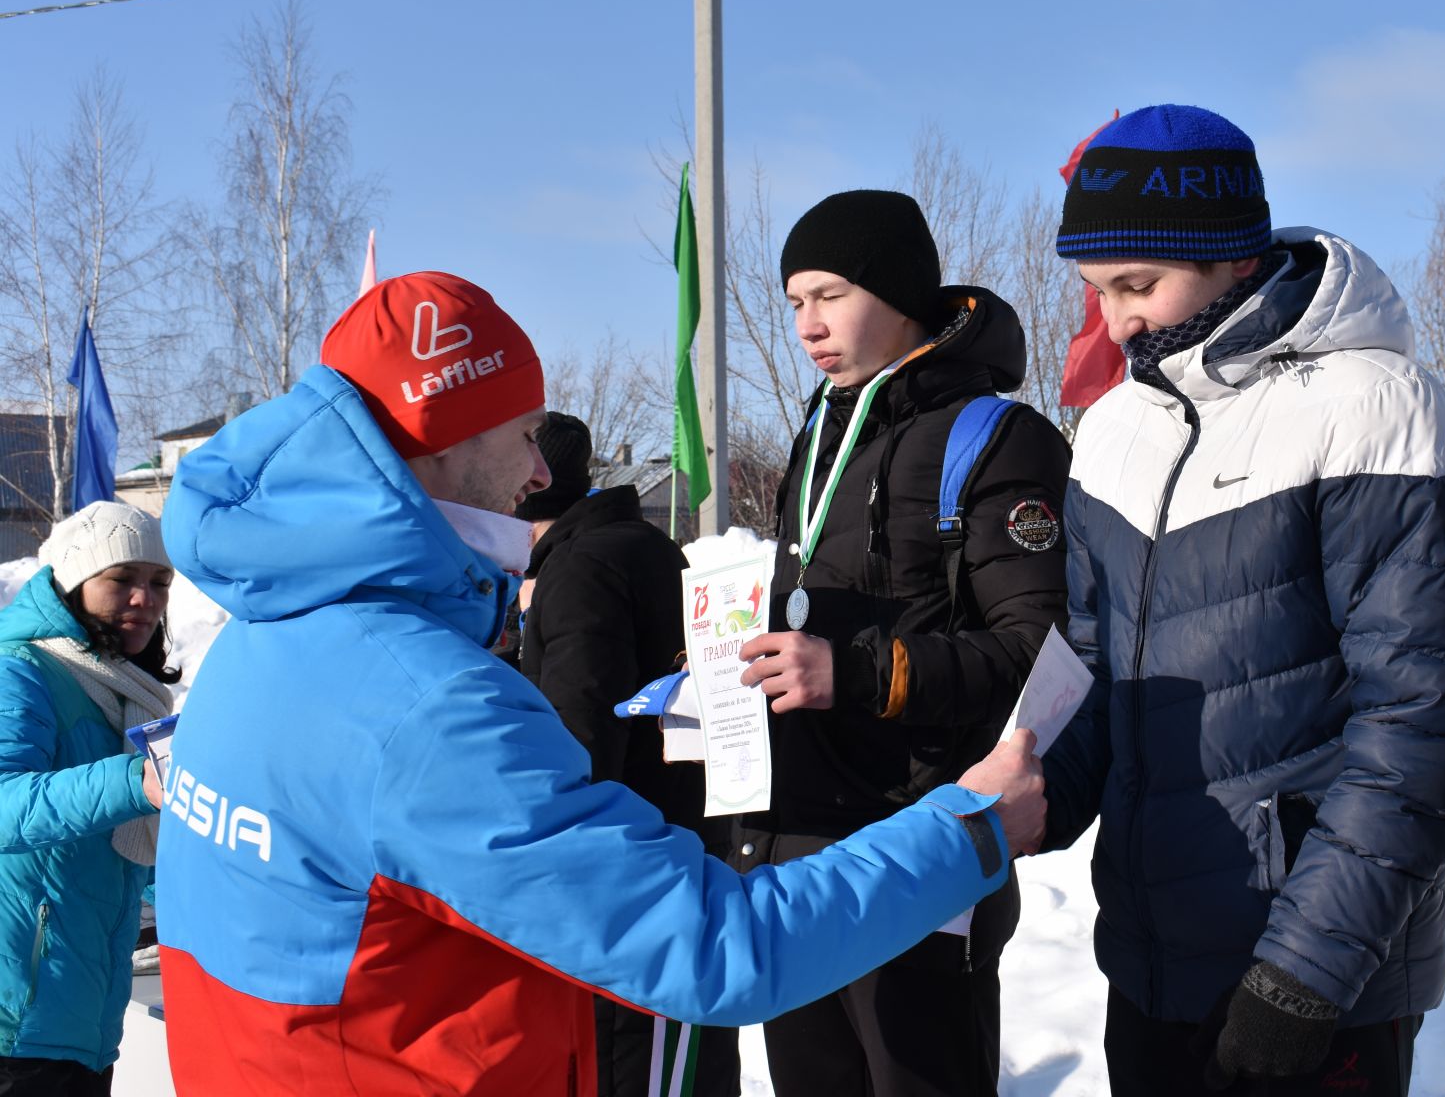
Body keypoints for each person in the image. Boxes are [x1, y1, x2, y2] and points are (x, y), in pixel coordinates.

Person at [154, 270, 1046, 1097]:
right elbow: (716, 951)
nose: (541, 474)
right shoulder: (427, 709)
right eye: (522, 437)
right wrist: (968, 832)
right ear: (436, 448)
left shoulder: (261, 638)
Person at [1039, 105, 1445, 1096]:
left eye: (1138, 283)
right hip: (1151, 957)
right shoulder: (1114, 430)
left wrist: (1305, 969)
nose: (1116, 319)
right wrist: (1016, 800)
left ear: (1233, 257)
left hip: (1318, 971)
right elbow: (1090, 669)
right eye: (1095, 289)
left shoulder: (1374, 407)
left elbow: (1429, 721)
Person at [734, 189, 1071, 1096]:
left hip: (922, 851)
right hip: (796, 853)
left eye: (831, 294)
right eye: (795, 300)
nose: (808, 324)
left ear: (899, 291)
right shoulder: (816, 433)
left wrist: (853, 674)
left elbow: (1033, 656)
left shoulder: (996, 438)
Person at [514, 411, 740, 1097]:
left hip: (632, 897)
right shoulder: (636, 544)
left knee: (637, 1068)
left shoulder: (581, 571)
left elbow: (579, 743)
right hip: (683, 862)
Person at [0, 503, 176, 1095]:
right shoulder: (19, 671)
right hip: (18, 1014)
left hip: (86, 1010)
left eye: (158, 582)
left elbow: (119, 847)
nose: (144, 599)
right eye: (121, 579)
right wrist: (136, 783)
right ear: (72, 584)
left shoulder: (127, 689)